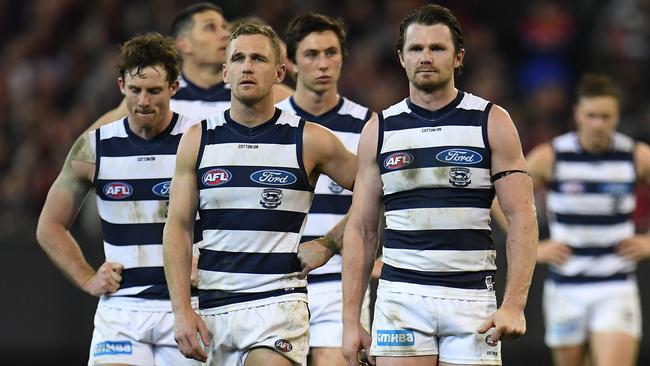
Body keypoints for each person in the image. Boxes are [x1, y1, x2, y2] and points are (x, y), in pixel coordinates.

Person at [341, 4, 538, 366]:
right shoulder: (379, 129)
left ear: (458, 56)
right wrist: (350, 321)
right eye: (416, 49)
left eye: (438, 48)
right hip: (402, 296)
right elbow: (361, 228)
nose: (426, 57)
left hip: (471, 298)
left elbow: (523, 217)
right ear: (401, 58)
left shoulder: (491, 121)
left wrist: (514, 305)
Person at [162, 23, 358, 366]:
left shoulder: (310, 139)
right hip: (212, 306)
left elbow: (384, 189)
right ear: (225, 72)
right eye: (238, 58)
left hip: (278, 305)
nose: (247, 66)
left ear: (280, 72)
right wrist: (180, 311)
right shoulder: (197, 140)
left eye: (258, 58)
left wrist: (330, 243)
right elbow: (177, 227)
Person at [36, 33, 200, 366]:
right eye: (135, 89)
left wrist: (211, 261)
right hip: (122, 311)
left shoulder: (200, 141)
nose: (143, 102)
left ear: (174, 88)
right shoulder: (93, 148)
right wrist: (86, 277)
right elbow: (49, 226)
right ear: (121, 85)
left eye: (154, 91)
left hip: (187, 306)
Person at [526, 73, 650, 366]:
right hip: (565, 286)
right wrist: (533, 248)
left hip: (615, 283)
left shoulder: (635, 156)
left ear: (617, 116)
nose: (598, 123)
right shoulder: (552, 156)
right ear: (577, 114)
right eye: (591, 115)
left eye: (605, 116)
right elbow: (500, 198)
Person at [275, 13, 375, 366]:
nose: (323, 64)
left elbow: (380, 200)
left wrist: (335, 245)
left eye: (331, 53)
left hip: (340, 279)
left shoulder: (367, 126)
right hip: (276, 278)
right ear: (290, 63)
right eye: (312, 54)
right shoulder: (269, 123)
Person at [94, 3, 292, 125]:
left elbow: (316, 108)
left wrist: (290, 64)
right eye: (210, 28)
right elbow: (90, 143)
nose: (225, 34)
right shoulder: (159, 90)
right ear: (185, 44)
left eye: (224, 27)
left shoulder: (255, 88)